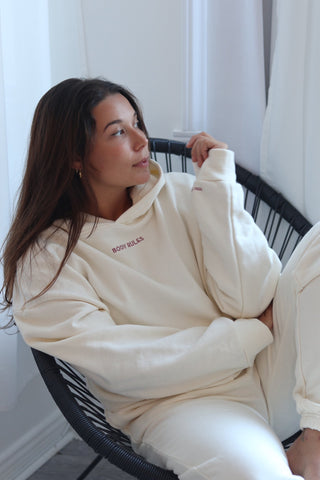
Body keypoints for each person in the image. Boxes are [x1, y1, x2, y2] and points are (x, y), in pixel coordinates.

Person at [0, 77, 319, 479]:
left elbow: (250, 299)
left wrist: (218, 190)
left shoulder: (184, 193)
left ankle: (315, 439)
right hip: (180, 406)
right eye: (118, 132)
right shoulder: (46, 260)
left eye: (137, 124)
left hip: (267, 368)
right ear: (74, 156)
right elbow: (125, 364)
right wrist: (247, 334)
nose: (141, 141)